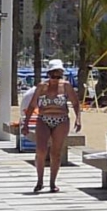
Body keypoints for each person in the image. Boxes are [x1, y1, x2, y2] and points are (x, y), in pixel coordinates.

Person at [24, 59, 80, 193]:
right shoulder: (41, 87)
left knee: (56, 152)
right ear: (48, 74)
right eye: (53, 75)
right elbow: (32, 105)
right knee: (41, 150)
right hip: (43, 119)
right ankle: (39, 180)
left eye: (58, 75)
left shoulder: (66, 86)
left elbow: (75, 103)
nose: (56, 78)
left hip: (61, 120)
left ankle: (52, 182)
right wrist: (26, 123)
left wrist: (78, 119)